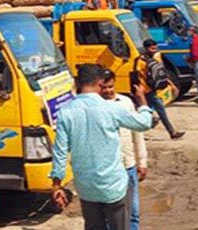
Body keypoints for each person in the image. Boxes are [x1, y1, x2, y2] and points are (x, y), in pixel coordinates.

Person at [50, 64, 153, 230]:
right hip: (114, 186)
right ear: (99, 83)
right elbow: (144, 123)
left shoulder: (65, 112)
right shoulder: (111, 108)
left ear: (77, 83)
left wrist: (57, 185)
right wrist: (142, 101)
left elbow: (60, 152)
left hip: (86, 188)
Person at [101, 69, 148, 230]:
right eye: (104, 87)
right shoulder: (97, 107)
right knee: (110, 215)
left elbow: (137, 134)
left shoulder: (125, 102)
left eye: (110, 87)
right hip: (109, 170)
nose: (108, 91)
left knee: (133, 212)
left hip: (128, 166)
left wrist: (142, 162)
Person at [136, 39, 185, 139]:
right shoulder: (140, 61)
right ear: (146, 48)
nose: (155, 50)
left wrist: (171, 85)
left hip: (152, 89)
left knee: (145, 111)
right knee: (160, 109)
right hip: (146, 90)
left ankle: (142, 129)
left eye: (155, 48)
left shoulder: (154, 59)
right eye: (152, 48)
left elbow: (161, 74)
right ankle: (172, 132)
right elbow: (138, 76)